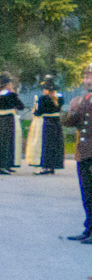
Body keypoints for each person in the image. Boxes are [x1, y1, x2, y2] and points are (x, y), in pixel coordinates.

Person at [64, 68, 92, 243]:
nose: (87, 80)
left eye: (90, 77)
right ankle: (89, 228)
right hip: (83, 153)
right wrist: (72, 110)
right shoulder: (82, 100)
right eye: (86, 77)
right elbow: (70, 123)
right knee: (87, 194)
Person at [33, 76, 65, 176]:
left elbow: (38, 112)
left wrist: (35, 110)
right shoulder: (60, 98)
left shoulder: (43, 98)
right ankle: (53, 165)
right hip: (57, 122)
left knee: (47, 145)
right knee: (55, 144)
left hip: (47, 122)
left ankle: (46, 166)